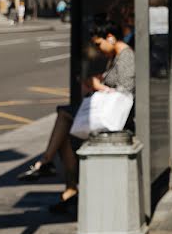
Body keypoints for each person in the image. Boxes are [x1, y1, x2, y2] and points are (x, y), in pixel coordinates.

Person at [18, 20, 135, 213]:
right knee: (65, 136)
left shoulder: (126, 56)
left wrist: (99, 87)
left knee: (64, 114)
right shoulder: (116, 56)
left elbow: (125, 91)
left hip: (119, 118)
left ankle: (46, 163)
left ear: (111, 38)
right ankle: (69, 190)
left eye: (99, 44)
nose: (98, 49)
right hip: (109, 113)